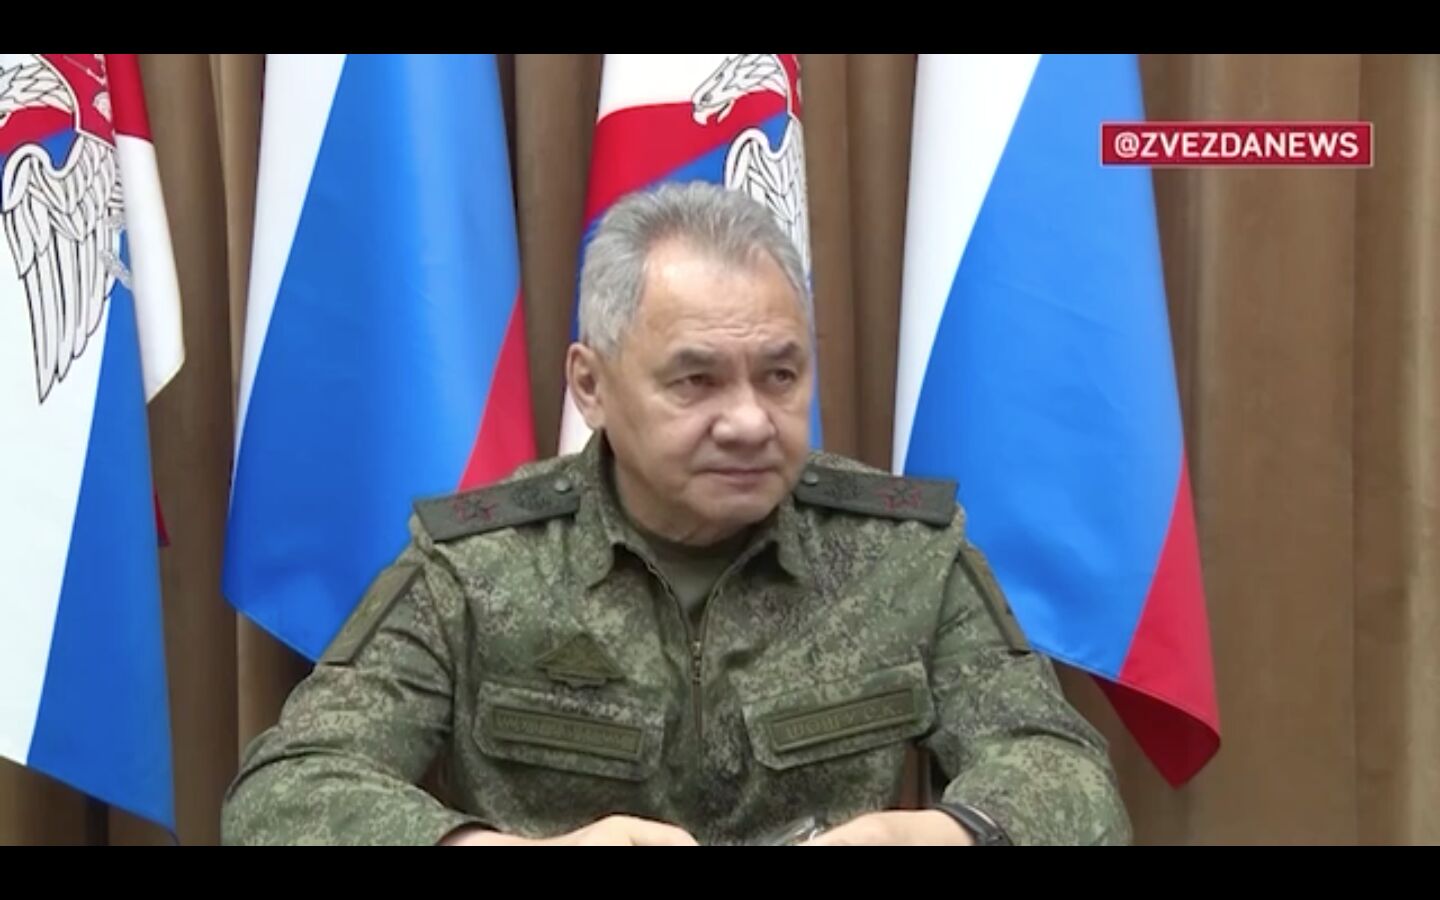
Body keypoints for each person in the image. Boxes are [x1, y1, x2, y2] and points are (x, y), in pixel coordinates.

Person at [220, 181, 1132, 846]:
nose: (750, 421)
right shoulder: (477, 565)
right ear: (591, 385)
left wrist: (941, 834)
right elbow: (285, 792)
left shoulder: (902, 553)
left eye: (781, 375)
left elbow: (1069, 779)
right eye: (696, 381)